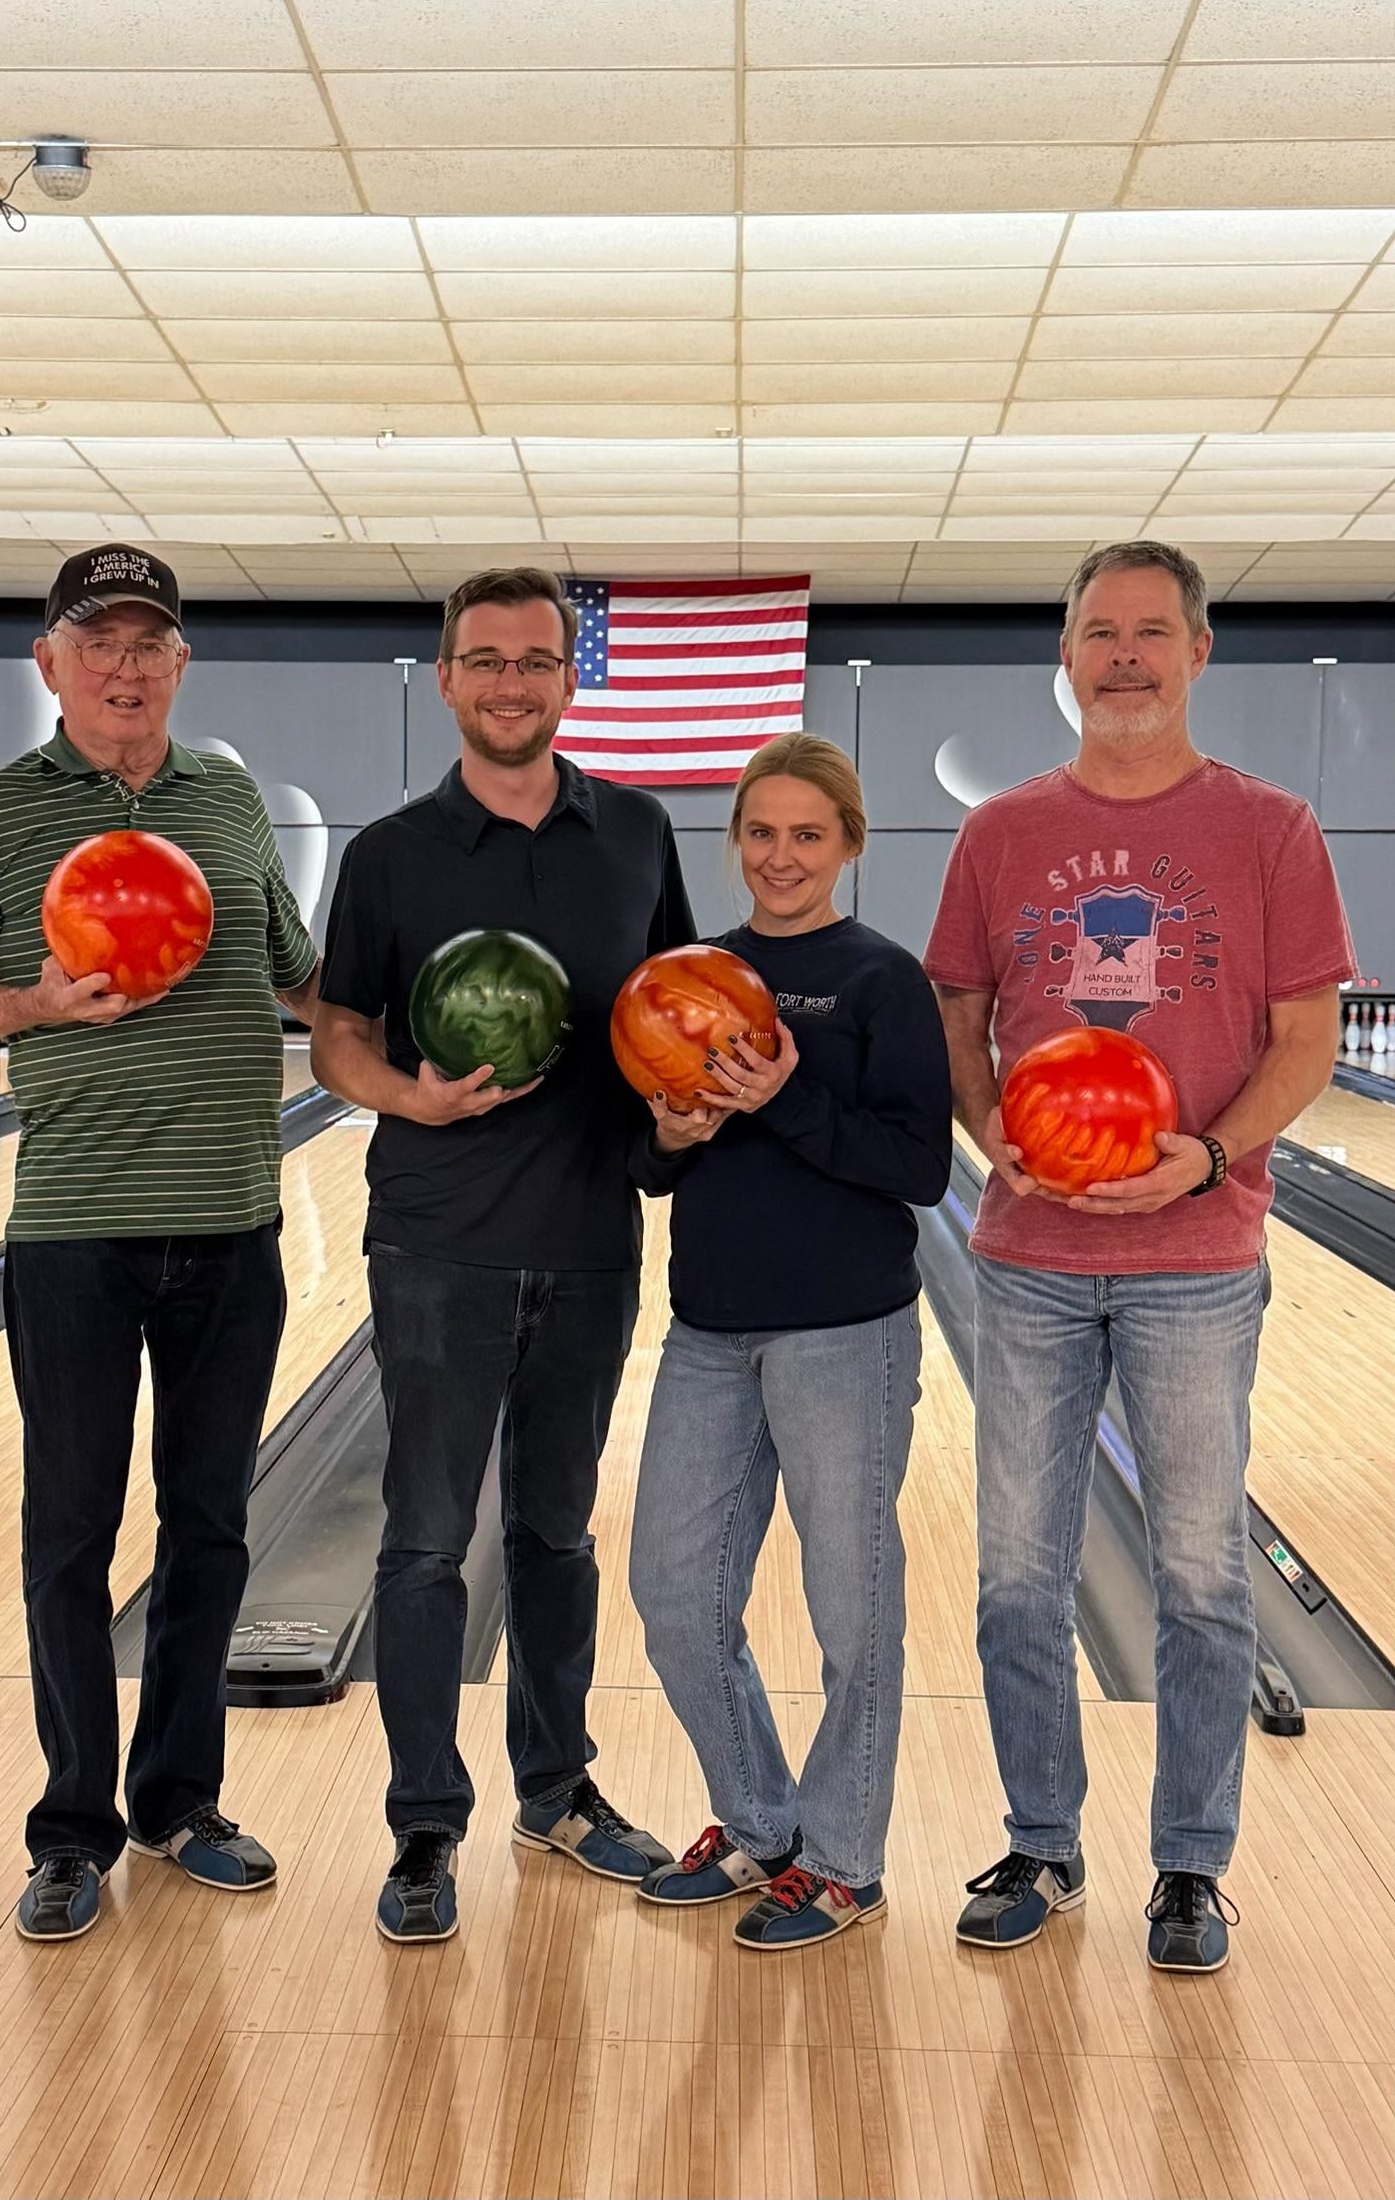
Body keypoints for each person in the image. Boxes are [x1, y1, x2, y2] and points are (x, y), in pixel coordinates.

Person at [923, 540, 1351, 1974]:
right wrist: (992, 1132)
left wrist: (1207, 1155)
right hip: (1031, 1252)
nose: (1122, 654)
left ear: (1198, 654)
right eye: (1098, 630)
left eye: (1150, 632)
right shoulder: (1002, 833)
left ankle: (1189, 1862)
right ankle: (1043, 1841)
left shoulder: (1274, 829)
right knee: (1015, 1580)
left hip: (1201, 1251)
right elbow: (958, 1009)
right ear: (1065, 653)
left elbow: (1304, 1038)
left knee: (1203, 1577)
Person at [0, 546, 320, 1943]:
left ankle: (181, 1799)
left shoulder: (229, 796)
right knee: (70, 1533)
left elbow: (296, 967)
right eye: (100, 640)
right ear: (51, 660)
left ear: (181, 664)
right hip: (75, 1225)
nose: (126, 665)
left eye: (150, 642)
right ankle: (73, 1824)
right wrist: (33, 1001)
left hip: (232, 1217)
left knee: (210, 1525)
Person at [311, 565, 696, 1944]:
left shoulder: (639, 831)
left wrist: (687, 1100)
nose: (512, 682)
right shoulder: (394, 851)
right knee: (424, 1541)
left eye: (537, 659)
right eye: (486, 660)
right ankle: (425, 1824)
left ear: (568, 677)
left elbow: (674, 1011)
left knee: (553, 1532)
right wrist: (404, 1092)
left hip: (591, 1239)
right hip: (438, 1243)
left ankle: (560, 1788)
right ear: (448, 677)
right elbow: (341, 1029)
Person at [626, 733, 952, 1951]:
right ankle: (762, 1822)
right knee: (670, 1589)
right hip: (709, 1328)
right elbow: (644, 1167)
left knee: (852, 1607)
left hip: (845, 1335)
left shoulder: (880, 980)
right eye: (761, 832)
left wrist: (786, 1102)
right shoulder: (688, 975)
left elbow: (919, 1166)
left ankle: (847, 1861)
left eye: (808, 834)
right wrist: (672, 1132)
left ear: (849, 845)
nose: (781, 856)